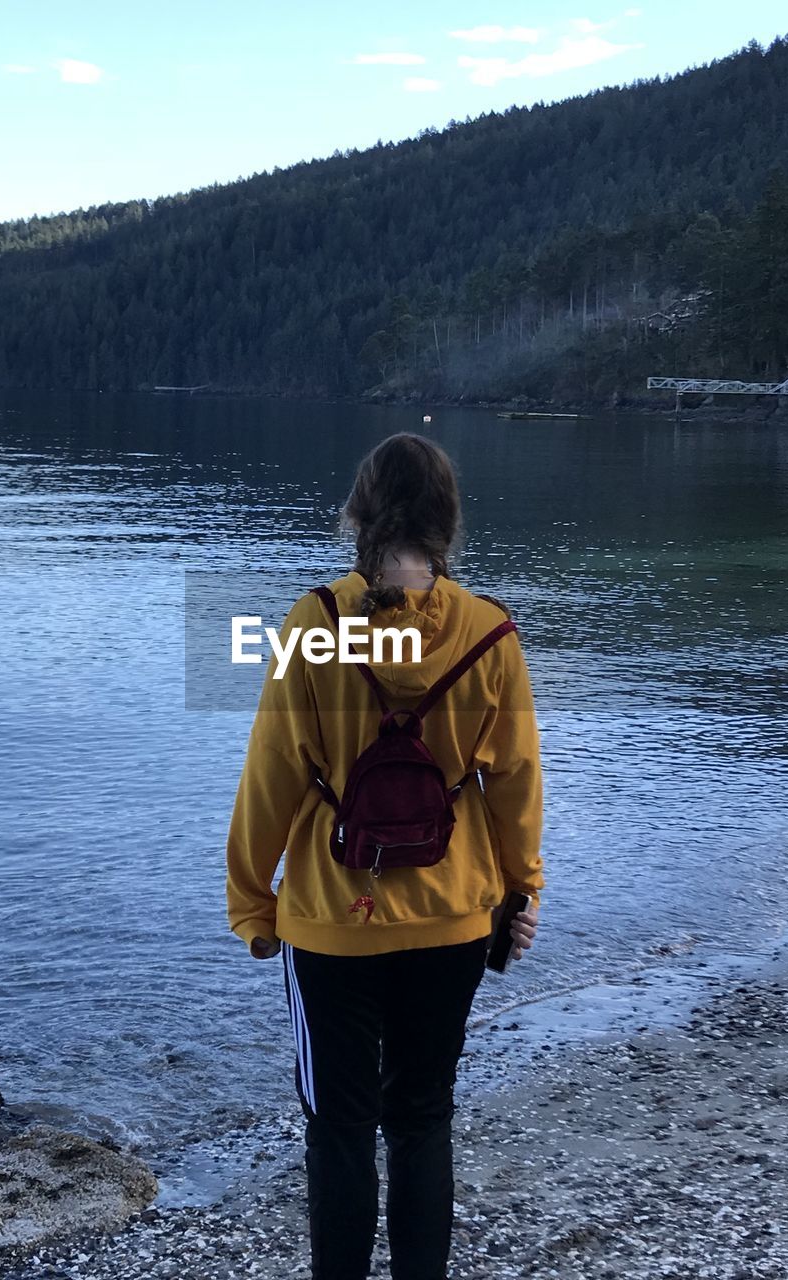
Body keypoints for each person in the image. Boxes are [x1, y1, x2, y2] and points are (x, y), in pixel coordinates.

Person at [226, 432, 544, 1280]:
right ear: (448, 521)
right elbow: (515, 786)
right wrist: (521, 895)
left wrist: (253, 905)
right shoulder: (490, 633)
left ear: (358, 513)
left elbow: (272, 778)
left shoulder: (315, 625)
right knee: (422, 1121)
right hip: (453, 919)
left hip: (333, 925)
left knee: (339, 1129)